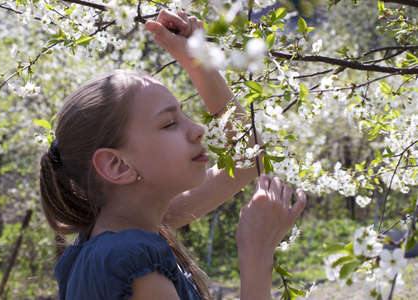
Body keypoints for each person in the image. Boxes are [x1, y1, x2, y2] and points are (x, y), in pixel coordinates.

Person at [39, 9, 306, 300]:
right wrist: (257, 253)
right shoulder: (129, 259)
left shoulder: (122, 234)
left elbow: (247, 158)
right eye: (169, 123)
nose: (198, 129)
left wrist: (198, 61)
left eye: (184, 114)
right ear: (116, 164)